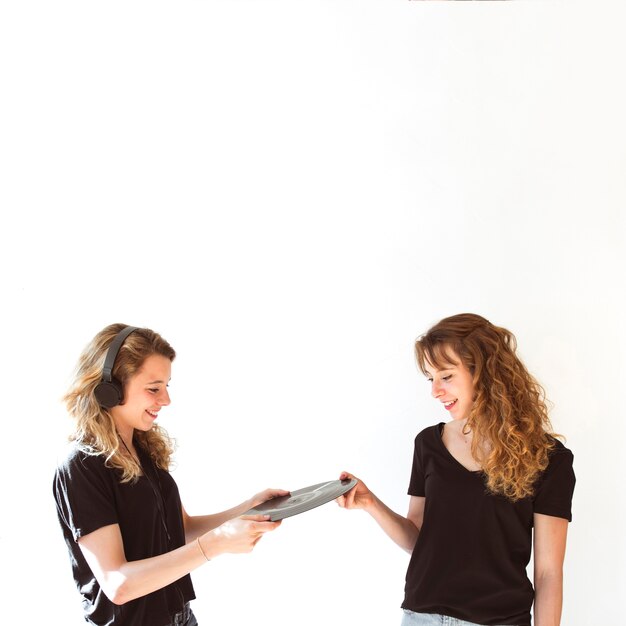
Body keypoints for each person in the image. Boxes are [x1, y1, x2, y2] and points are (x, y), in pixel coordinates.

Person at [337, 313, 575, 626]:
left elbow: (548, 573)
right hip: (421, 617)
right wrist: (370, 503)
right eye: (430, 378)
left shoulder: (548, 459)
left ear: (487, 372)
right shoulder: (428, 444)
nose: (435, 391)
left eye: (446, 376)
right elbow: (417, 540)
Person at [53, 324, 287, 626]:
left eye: (166, 386)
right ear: (109, 388)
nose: (166, 400)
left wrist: (250, 508)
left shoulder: (143, 449)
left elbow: (181, 529)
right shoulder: (81, 467)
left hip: (181, 618)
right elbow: (118, 584)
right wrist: (216, 544)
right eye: (153, 388)